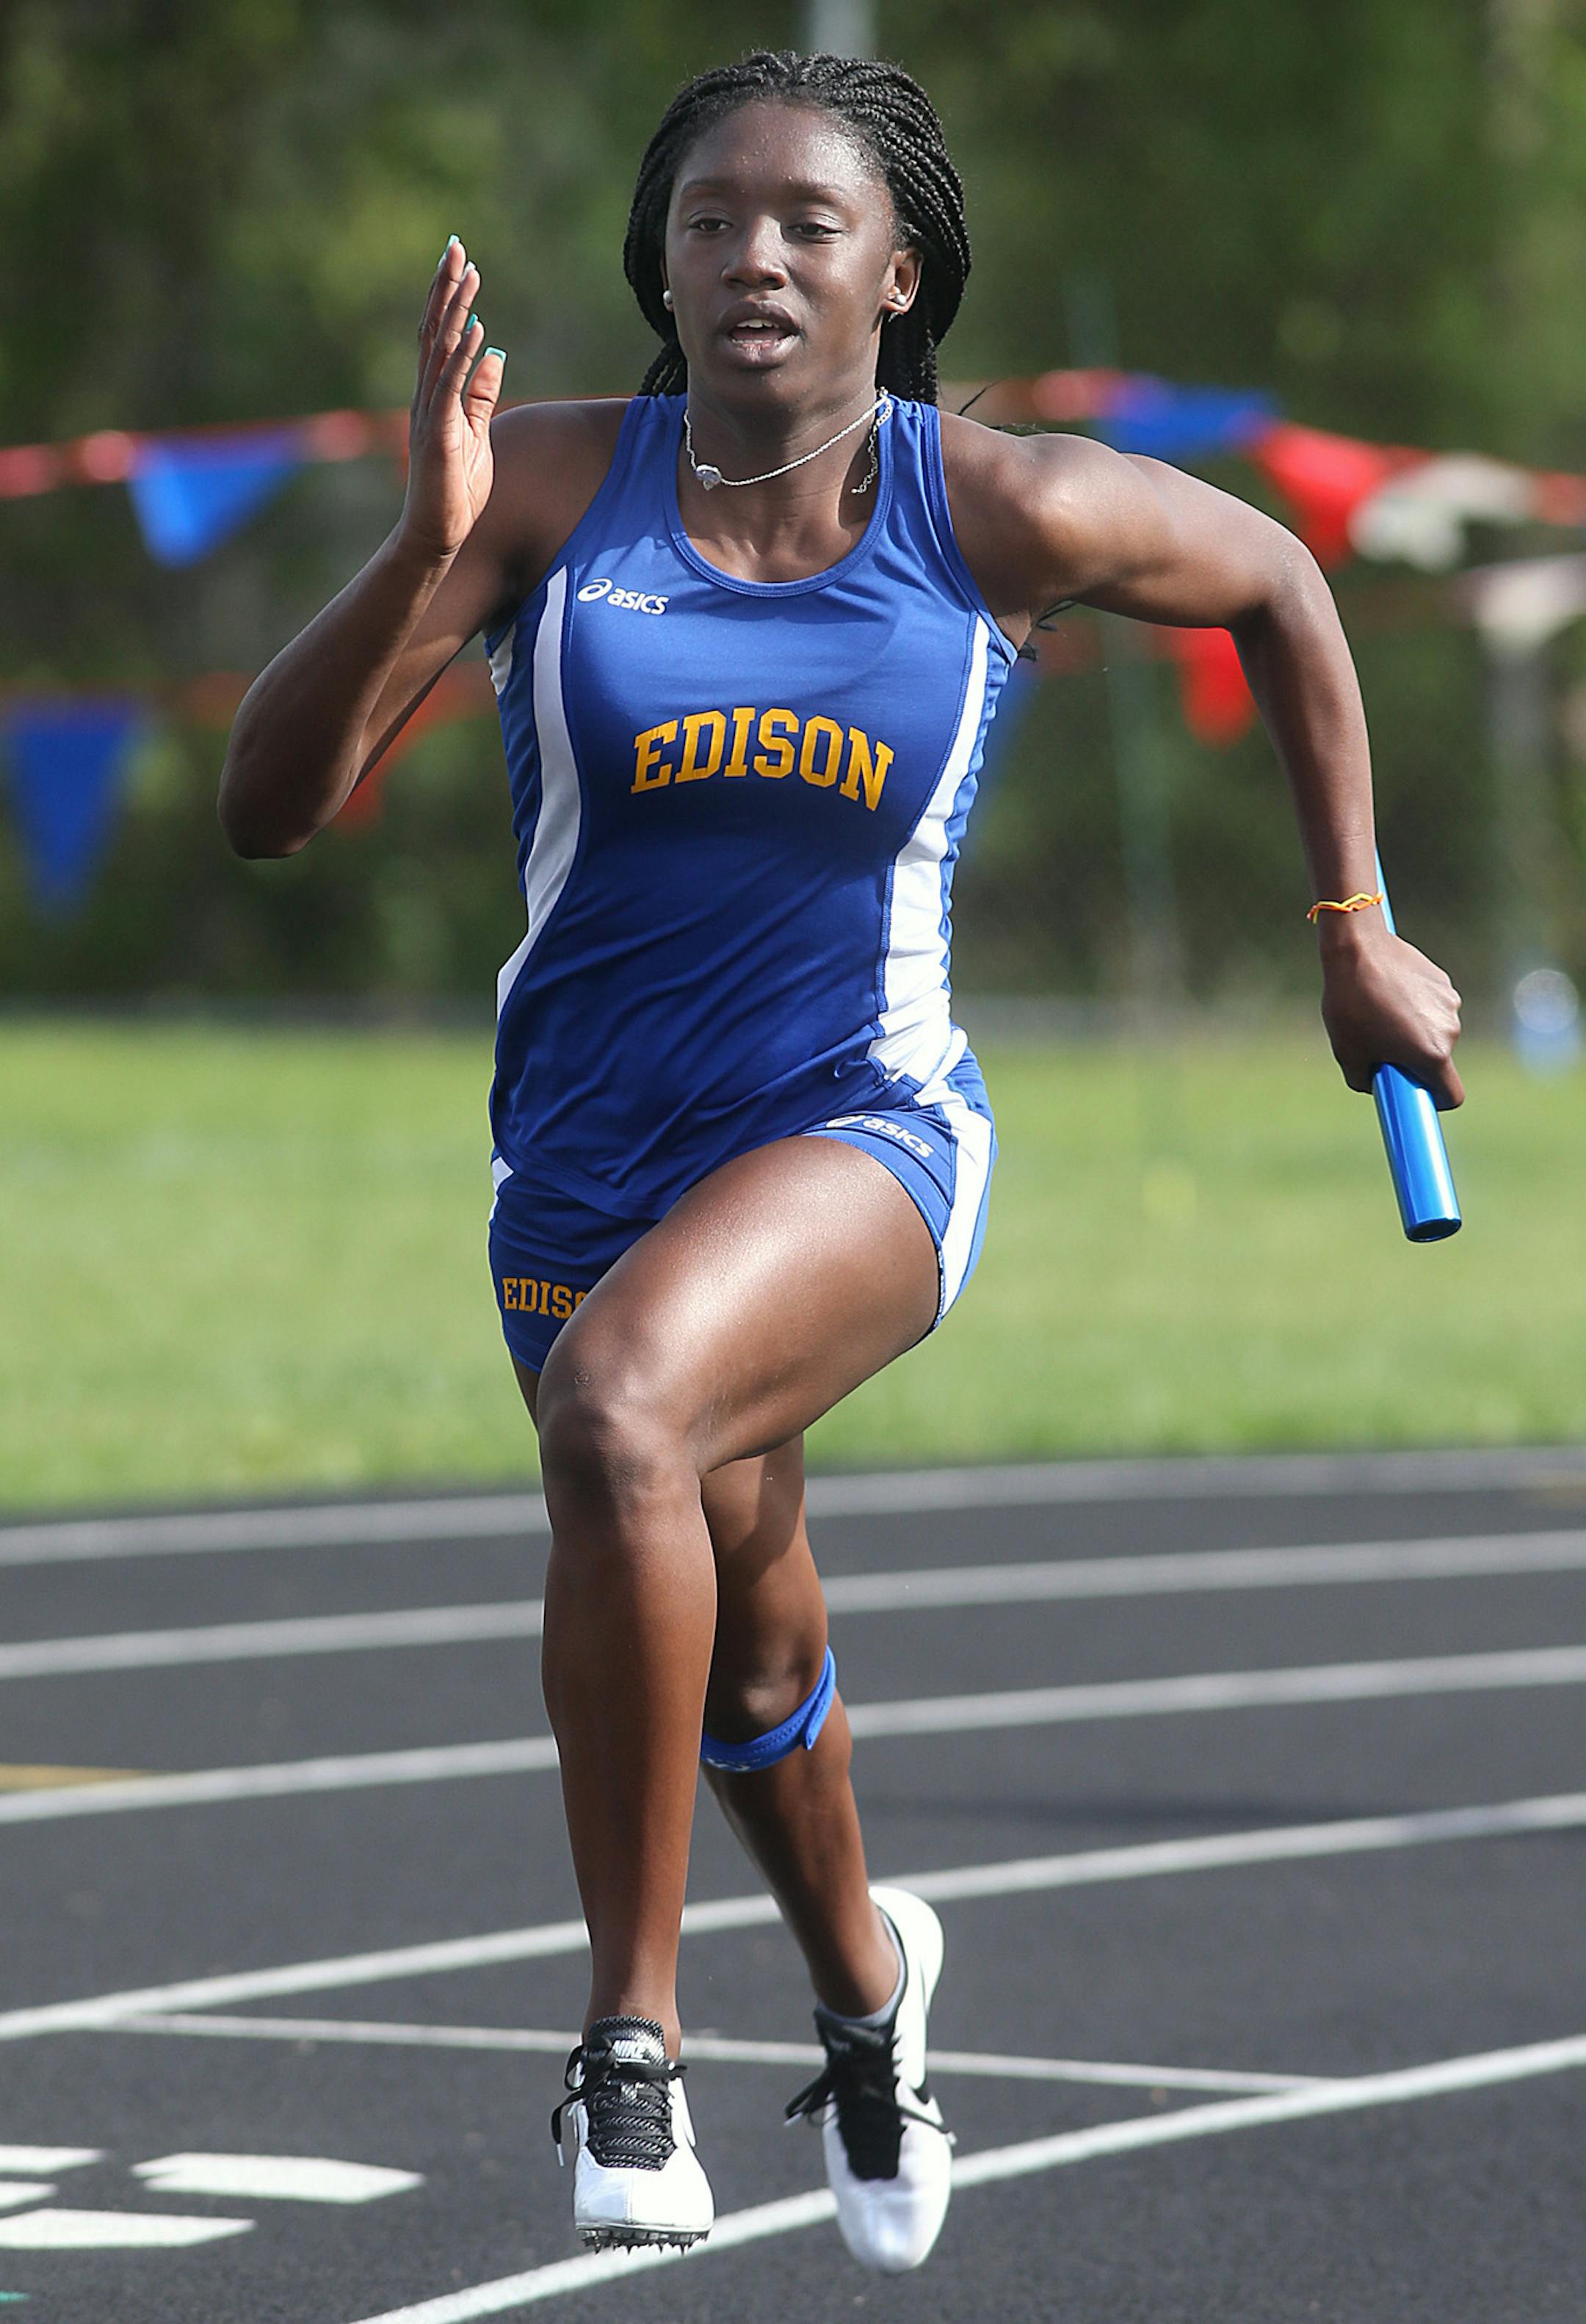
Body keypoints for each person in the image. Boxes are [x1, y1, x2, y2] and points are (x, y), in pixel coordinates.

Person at [218, 46, 1462, 2274]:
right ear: (660, 267)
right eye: (711, 219)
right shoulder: (545, 491)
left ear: (900, 274)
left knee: (624, 1412)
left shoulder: (989, 509)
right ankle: (874, 2000)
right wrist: (426, 535)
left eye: (808, 221)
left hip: (867, 1136)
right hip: (588, 1165)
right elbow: (271, 806)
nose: (755, 253)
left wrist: (1355, 936)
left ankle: (627, 2051)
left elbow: (1282, 579)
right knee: (742, 1627)